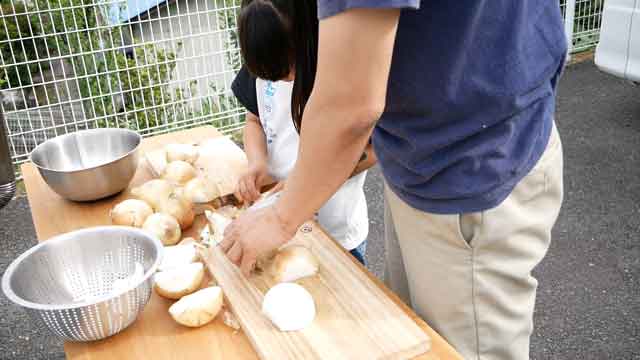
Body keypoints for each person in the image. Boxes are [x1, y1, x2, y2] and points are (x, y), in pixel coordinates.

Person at [222, 1, 567, 359]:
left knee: (460, 351)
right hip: (430, 160)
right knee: (409, 334)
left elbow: (351, 103)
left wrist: (281, 216)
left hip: (467, 170)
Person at [229, 0, 376, 264]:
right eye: (268, 75)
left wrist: (303, 183)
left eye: (286, 69)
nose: (279, 79)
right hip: (273, 226)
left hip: (338, 233)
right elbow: (253, 122)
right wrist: (257, 162)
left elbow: (375, 149)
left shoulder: (339, 74)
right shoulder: (267, 60)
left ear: (307, 38)